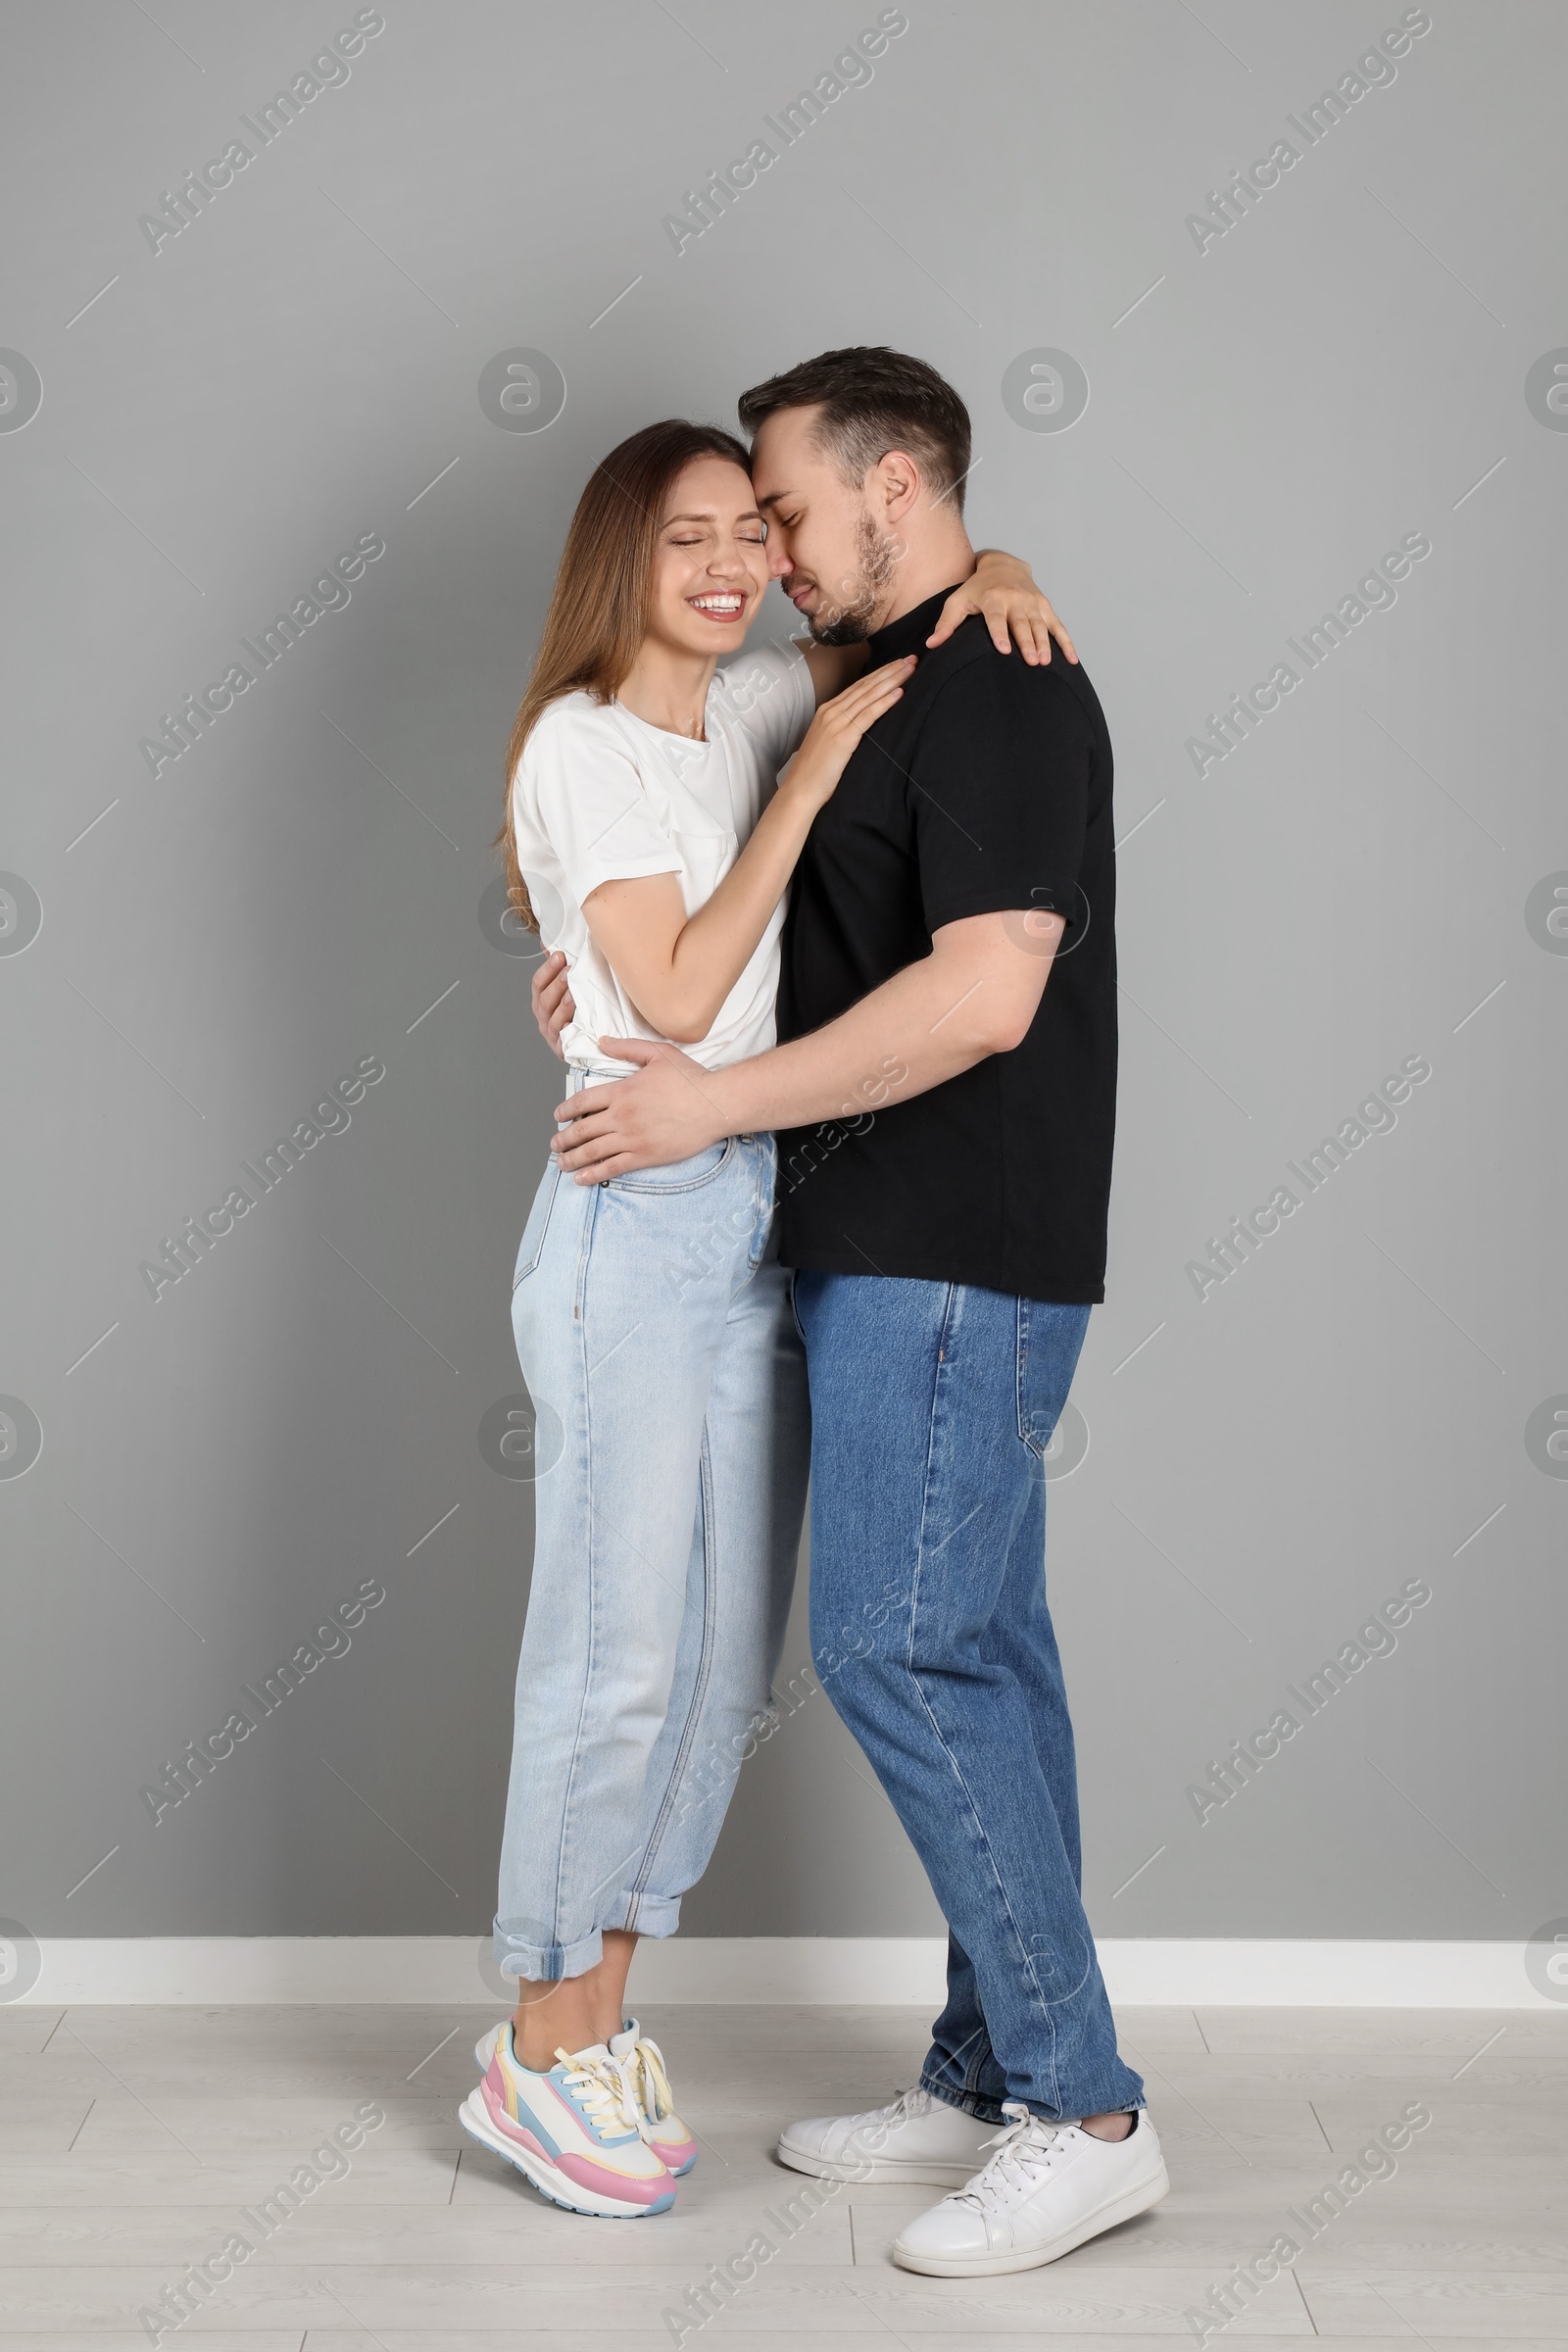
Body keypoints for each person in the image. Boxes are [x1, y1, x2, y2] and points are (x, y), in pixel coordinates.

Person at [541, 347, 1169, 2275]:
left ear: (893, 485)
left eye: (792, 510)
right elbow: (732, 917)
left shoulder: (996, 690)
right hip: (886, 1251)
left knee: (906, 1654)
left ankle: (1083, 2108)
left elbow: (985, 997)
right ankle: (988, 2070)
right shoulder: (889, 681)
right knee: (985, 1652)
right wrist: (601, 988)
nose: (774, 554)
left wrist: (699, 1107)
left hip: (952, 1259)